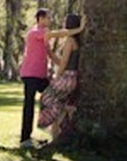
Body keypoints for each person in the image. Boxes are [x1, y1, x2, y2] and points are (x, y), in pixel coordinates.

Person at [19, 9, 83, 148]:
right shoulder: (36, 32)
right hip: (30, 75)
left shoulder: (43, 36)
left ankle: (58, 125)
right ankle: (25, 139)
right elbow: (58, 34)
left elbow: (51, 55)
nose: (50, 20)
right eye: (48, 18)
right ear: (41, 18)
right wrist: (79, 29)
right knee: (29, 106)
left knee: (51, 97)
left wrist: (64, 67)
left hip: (41, 76)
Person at [38, 12, 82, 141]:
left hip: (67, 78)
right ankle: (55, 139)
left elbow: (63, 64)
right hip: (71, 77)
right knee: (56, 109)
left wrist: (57, 76)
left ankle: (68, 108)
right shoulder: (75, 41)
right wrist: (50, 53)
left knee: (45, 98)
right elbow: (63, 62)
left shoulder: (70, 40)